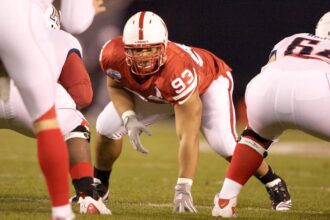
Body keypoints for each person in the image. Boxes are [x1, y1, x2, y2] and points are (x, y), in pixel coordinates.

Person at [93, 11, 291, 213]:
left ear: (163, 46)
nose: (143, 57)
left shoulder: (178, 69)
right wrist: (129, 117)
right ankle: (99, 186)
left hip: (208, 84)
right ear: (125, 48)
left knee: (225, 145)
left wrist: (183, 186)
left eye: (149, 50)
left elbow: (188, 136)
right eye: (136, 50)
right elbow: (116, 86)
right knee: (106, 126)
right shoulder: (111, 54)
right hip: (161, 89)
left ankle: (274, 182)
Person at [212, 11, 330, 218]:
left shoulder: (292, 39)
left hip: (264, 87)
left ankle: (225, 201)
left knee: (254, 137)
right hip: (317, 93)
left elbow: (272, 65)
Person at [0, 1, 106, 219]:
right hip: (29, 98)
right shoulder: (60, 37)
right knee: (74, 125)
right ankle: (85, 195)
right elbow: (83, 95)